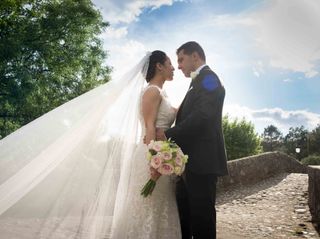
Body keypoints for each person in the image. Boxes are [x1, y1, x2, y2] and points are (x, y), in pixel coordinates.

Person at [0, 51, 181, 238]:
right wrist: (153, 161)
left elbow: (172, 114)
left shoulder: (161, 93)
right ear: (159, 66)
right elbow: (150, 127)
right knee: (147, 206)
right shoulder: (152, 91)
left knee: (157, 205)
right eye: (169, 63)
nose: (173, 67)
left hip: (158, 155)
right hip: (150, 157)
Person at [157, 41, 228, 239]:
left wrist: (167, 135)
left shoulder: (209, 79)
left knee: (202, 221)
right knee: (186, 219)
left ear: (195, 56)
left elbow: (203, 117)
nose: (178, 65)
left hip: (202, 163)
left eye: (181, 59)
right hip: (191, 163)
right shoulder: (198, 81)